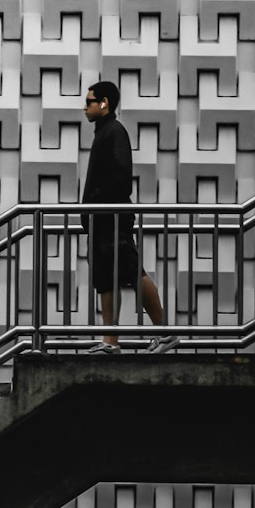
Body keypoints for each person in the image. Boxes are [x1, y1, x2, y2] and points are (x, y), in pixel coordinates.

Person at [80, 79, 178, 354]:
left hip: (112, 217)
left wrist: (96, 201)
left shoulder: (114, 131)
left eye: (89, 101)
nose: (84, 107)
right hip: (102, 218)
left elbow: (122, 179)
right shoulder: (104, 131)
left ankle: (165, 333)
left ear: (104, 103)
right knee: (105, 279)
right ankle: (110, 342)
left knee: (132, 271)